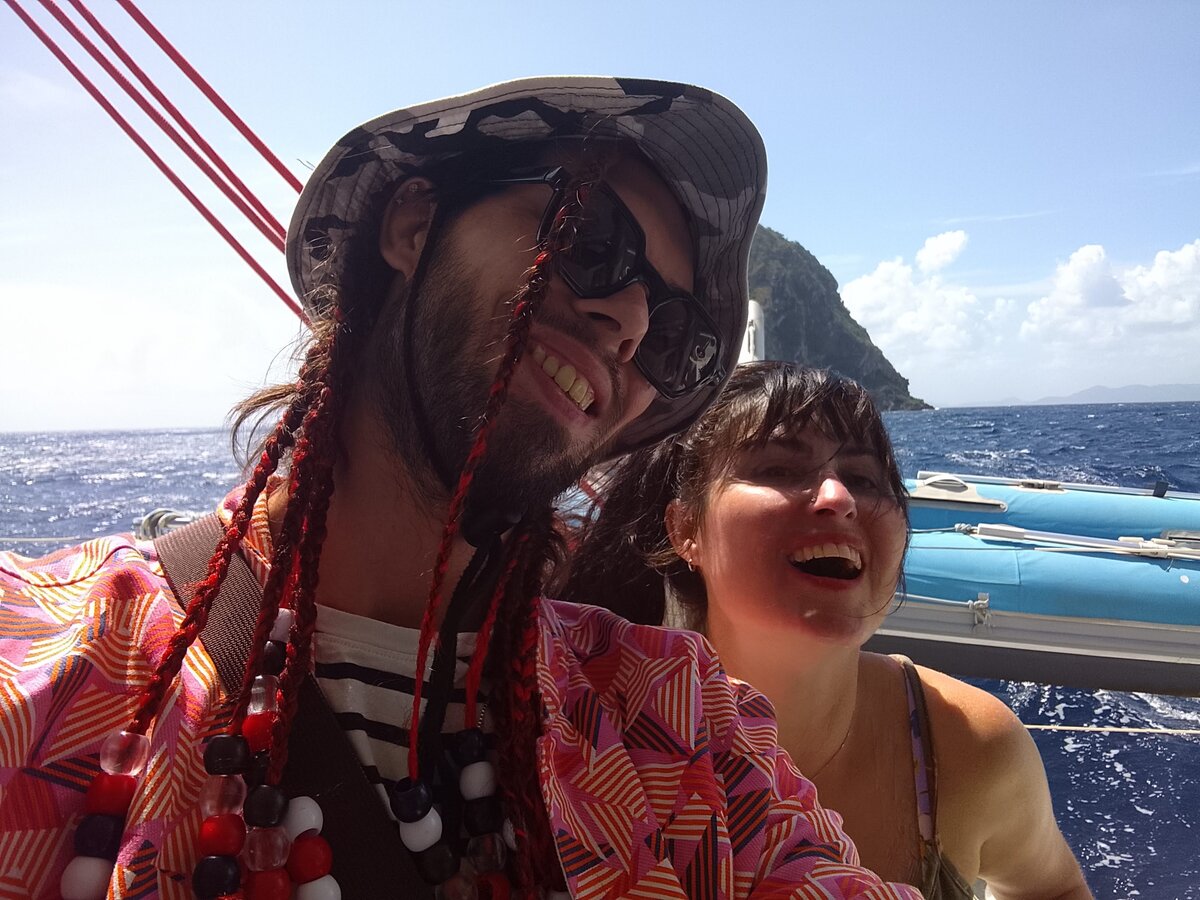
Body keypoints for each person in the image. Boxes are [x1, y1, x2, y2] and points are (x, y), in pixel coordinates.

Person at [0, 79, 922, 899]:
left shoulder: (672, 720)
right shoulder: (50, 669)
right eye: (590, 238)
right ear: (413, 223)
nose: (632, 322)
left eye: (674, 334)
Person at [563, 361, 1094, 899]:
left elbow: (1052, 887)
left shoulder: (968, 747)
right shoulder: (584, 729)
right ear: (685, 529)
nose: (838, 498)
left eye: (864, 479)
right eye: (778, 470)